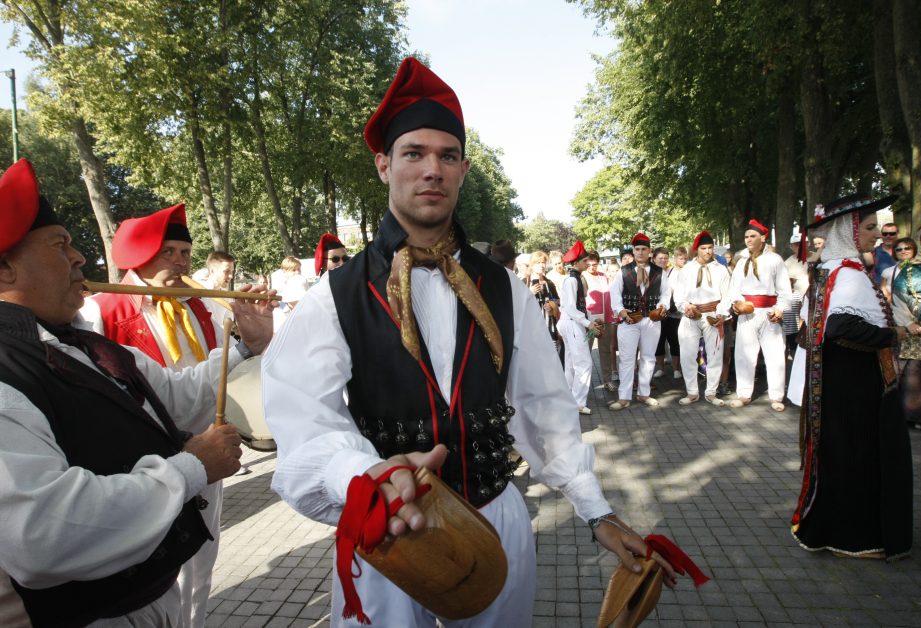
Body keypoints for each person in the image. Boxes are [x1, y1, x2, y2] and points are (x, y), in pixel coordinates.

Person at [261, 57, 677, 627]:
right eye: (414, 153)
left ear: (462, 169)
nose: (432, 169)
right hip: (388, 533)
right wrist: (365, 477)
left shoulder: (504, 288)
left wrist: (595, 510)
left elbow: (542, 405)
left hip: (495, 517)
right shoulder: (334, 296)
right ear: (384, 165)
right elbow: (304, 422)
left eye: (447, 155)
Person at [0, 159, 273, 626]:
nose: (80, 258)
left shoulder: (83, 343)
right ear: (5, 270)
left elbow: (175, 395)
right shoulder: (10, 370)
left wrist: (246, 344)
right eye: (60, 245)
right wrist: (190, 468)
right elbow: (45, 535)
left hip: (145, 596)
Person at [78, 203, 256, 628]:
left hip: (206, 446)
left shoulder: (205, 306)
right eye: (167, 252)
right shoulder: (101, 310)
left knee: (203, 555)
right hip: (146, 461)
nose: (179, 262)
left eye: (184, 252)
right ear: (140, 255)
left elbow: (225, 368)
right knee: (159, 563)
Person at [791, 193, 912, 561]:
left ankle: (837, 531)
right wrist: (893, 336)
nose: (877, 235)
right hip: (854, 385)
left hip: (839, 380)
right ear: (850, 231)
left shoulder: (832, 268)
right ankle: (856, 538)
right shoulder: (848, 274)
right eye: (871, 228)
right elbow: (841, 326)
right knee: (857, 455)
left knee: (842, 454)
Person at [728, 219, 790, 411]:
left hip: (769, 312)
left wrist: (780, 309)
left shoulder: (775, 260)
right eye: (746, 236)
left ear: (763, 238)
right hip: (747, 313)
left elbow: (785, 290)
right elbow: (734, 288)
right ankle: (744, 394)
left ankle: (777, 396)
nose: (748, 239)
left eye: (752, 236)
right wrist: (737, 303)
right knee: (744, 354)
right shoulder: (741, 261)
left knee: (775, 355)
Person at [608, 233, 669, 410]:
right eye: (637, 249)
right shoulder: (623, 271)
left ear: (650, 251)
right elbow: (615, 295)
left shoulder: (660, 272)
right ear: (633, 251)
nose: (640, 252)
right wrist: (621, 312)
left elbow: (666, 292)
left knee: (648, 357)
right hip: (629, 320)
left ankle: (644, 393)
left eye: (644, 249)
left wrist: (663, 305)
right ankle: (624, 397)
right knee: (627, 359)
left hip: (651, 319)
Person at [673, 231, 731, 406]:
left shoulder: (721, 270)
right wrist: (685, 307)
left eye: (710, 248)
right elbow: (679, 294)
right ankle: (692, 392)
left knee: (715, 354)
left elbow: (727, 294)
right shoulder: (687, 269)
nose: (707, 251)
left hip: (713, 314)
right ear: (696, 250)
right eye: (703, 248)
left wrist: (721, 314)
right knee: (687, 354)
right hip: (691, 315)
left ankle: (711, 392)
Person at [891, 226, 921, 429]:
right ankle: (917, 417)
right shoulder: (909, 268)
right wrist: (908, 323)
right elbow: (898, 296)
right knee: (917, 375)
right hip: (916, 330)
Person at [558, 241, 603, 414]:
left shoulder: (574, 278)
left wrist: (589, 320)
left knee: (571, 362)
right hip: (573, 324)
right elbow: (570, 307)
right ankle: (577, 402)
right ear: (576, 262)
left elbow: (577, 305)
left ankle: (569, 397)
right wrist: (587, 323)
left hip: (572, 323)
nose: (587, 264)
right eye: (585, 261)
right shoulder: (572, 280)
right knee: (583, 363)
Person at [584, 250, 616, 391]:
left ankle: (607, 380)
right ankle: (583, 383)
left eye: (595, 264)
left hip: (605, 320)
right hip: (590, 323)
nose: (592, 267)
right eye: (589, 264)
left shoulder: (603, 276)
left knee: (605, 351)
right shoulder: (582, 277)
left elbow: (608, 297)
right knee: (585, 350)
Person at [524, 250, 562, 361]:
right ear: (531, 265)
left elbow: (557, 300)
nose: (541, 265)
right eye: (538, 263)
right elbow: (518, 304)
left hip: (550, 325)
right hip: (533, 328)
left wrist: (552, 305)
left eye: (543, 262)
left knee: (553, 359)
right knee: (536, 360)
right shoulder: (524, 282)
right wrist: (529, 293)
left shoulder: (549, 283)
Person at [652, 246, 681, 380]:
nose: (663, 260)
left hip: (673, 313)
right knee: (659, 341)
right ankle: (660, 369)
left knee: (674, 341)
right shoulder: (651, 273)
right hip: (657, 314)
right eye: (660, 258)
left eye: (665, 258)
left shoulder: (675, 272)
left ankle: (676, 369)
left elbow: (680, 289)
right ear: (654, 259)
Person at [881, 237, 916, 302]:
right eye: (899, 249)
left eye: (907, 248)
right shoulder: (887, 272)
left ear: (914, 250)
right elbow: (883, 290)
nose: (903, 251)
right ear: (895, 252)